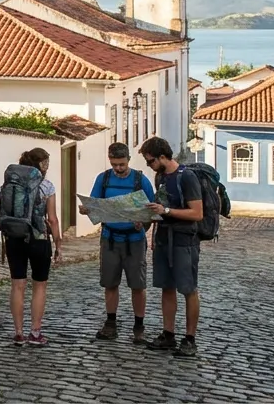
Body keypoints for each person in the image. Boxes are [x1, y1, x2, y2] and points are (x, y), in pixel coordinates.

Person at [79, 142, 156, 343]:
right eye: (114, 164)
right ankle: (110, 322)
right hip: (110, 238)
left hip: (135, 239)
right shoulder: (103, 179)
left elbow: (153, 209)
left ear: (128, 160)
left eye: (121, 164)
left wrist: (144, 222)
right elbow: (95, 203)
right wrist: (87, 209)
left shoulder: (140, 180)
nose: (118, 169)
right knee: (110, 283)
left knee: (138, 285)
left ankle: (139, 326)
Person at [139, 136, 204, 358]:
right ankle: (168, 334)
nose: (149, 166)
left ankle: (190, 339)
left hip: (184, 240)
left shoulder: (187, 178)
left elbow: (197, 213)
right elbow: (160, 209)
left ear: (163, 157)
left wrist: (166, 212)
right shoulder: (160, 177)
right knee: (166, 287)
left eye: (150, 161)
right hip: (163, 239)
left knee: (188, 289)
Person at [0, 147, 62, 347]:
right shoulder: (47, 186)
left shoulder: (12, 182)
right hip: (38, 238)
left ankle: (18, 333)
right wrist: (58, 244)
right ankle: (35, 332)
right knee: (39, 285)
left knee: (17, 284)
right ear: (42, 165)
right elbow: (52, 219)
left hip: (14, 237)